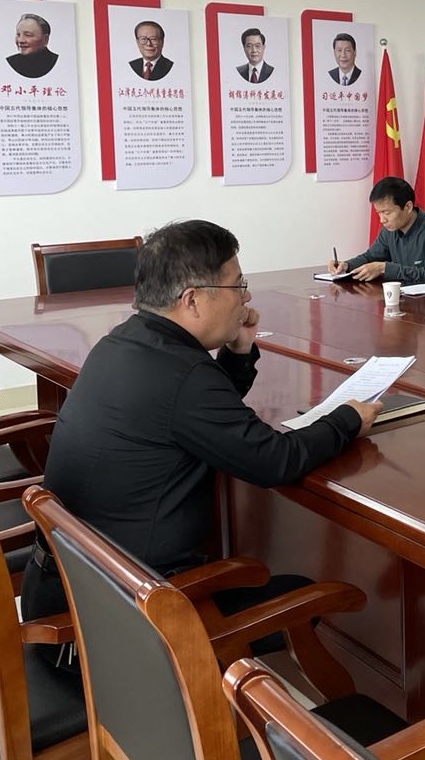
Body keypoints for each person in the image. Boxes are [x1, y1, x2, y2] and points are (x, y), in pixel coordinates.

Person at [21, 219, 380, 626]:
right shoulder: (183, 374)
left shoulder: (123, 342)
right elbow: (275, 461)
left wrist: (239, 351)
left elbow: (198, 415)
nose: (246, 298)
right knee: (302, 590)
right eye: (238, 286)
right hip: (130, 619)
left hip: (71, 591)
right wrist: (347, 419)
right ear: (191, 300)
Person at [322, 176, 425, 284]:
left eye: (387, 213)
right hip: (404, 300)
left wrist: (384, 268)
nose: (382, 220)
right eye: (379, 213)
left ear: (408, 207)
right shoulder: (389, 230)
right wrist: (346, 265)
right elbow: (370, 257)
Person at [5, 13, 59, 79]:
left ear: (45, 39)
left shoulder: (57, 62)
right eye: (18, 35)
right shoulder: (12, 61)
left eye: (28, 35)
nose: (21, 40)